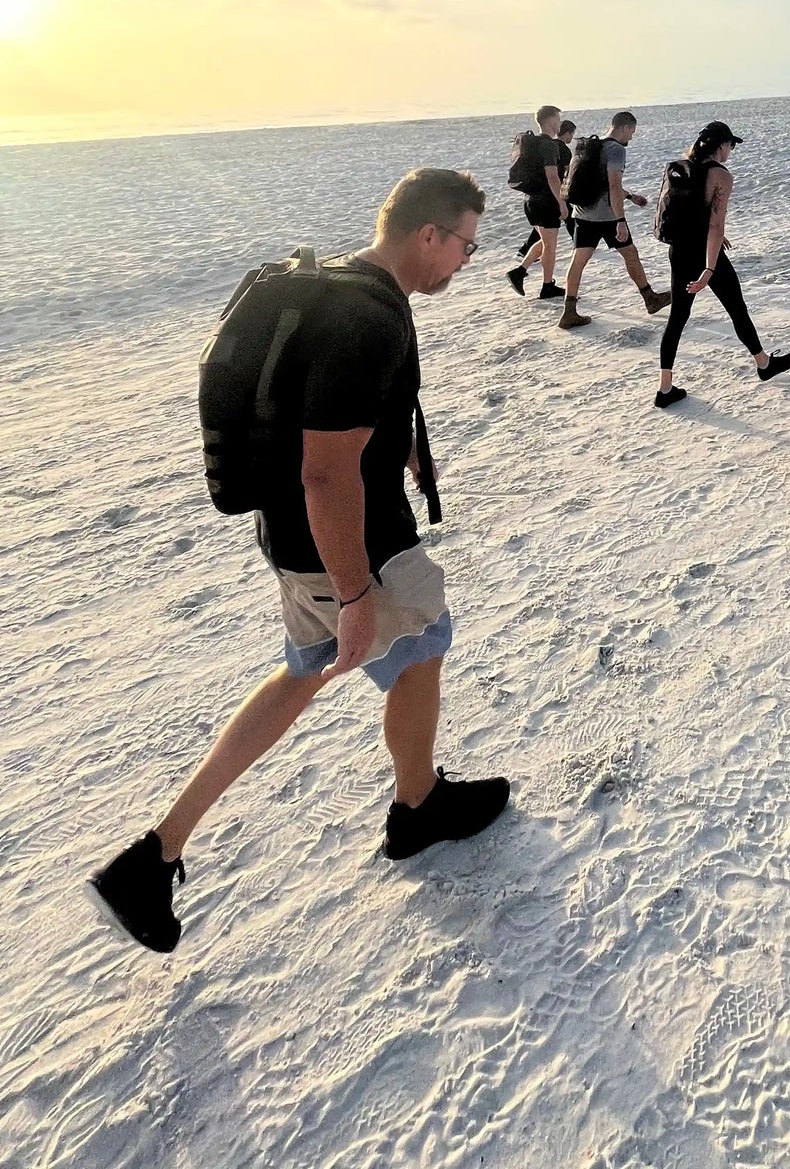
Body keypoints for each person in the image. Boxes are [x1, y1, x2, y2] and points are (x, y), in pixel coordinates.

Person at [87, 169, 510, 955]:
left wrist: (402, 446)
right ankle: (418, 808)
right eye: (465, 246)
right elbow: (326, 470)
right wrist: (353, 593)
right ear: (429, 235)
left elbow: (324, 414)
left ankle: (152, 857)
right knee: (422, 642)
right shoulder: (369, 321)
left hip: (289, 535)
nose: (465, 261)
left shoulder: (338, 282)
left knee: (308, 672)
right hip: (347, 543)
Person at [655, 120, 790, 409]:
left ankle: (665, 388)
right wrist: (709, 268)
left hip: (678, 251)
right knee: (736, 308)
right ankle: (763, 364)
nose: (731, 151)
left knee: (677, 317)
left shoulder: (680, 167)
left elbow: (690, 212)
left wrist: (714, 241)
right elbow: (715, 225)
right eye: (731, 145)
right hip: (706, 254)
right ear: (721, 145)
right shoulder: (720, 174)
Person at [558, 111, 670, 330]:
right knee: (630, 254)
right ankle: (650, 298)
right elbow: (613, 184)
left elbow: (600, 183)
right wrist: (620, 220)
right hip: (608, 216)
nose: (631, 137)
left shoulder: (593, 146)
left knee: (578, 260)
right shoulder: (616, 149)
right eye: (632, 132)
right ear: (625, 127)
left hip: (582, 213)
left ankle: (568, 311)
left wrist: (630, 196)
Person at [506, 105, 568, 300]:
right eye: (558, 119)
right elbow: (552, 177)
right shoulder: (549, 145)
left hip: (531, 200)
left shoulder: (533, 143)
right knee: (550, 246)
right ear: (551, 121)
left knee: (545, 241)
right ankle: (547, 286)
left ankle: (519, 273)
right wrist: (562, 202)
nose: (560, 123)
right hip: (546, 201)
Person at [516, 119, 576, 263]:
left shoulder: (547, 144)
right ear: (567, 133)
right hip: (555, 190)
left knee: (544, 225)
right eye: (571, 134)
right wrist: (566, 193)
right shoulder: (564, 150)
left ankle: (524, 251)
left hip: (542, 191)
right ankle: (580, 243)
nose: (572, 138)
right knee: (567, 218)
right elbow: (566, 174)